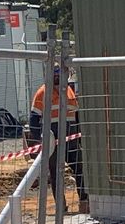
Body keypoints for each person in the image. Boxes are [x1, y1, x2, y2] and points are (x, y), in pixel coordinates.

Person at [28, 68, 86, 212]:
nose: (58, 78)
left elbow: (76, 117)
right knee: (56, 174)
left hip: (71, 140)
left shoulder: (69, 92)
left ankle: (84, 202)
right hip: (53, 142)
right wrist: (40, 141)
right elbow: (34, 120)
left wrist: (79, 137)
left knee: (80, 169)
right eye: (55, 75)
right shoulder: (42, 93)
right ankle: (61, 207)